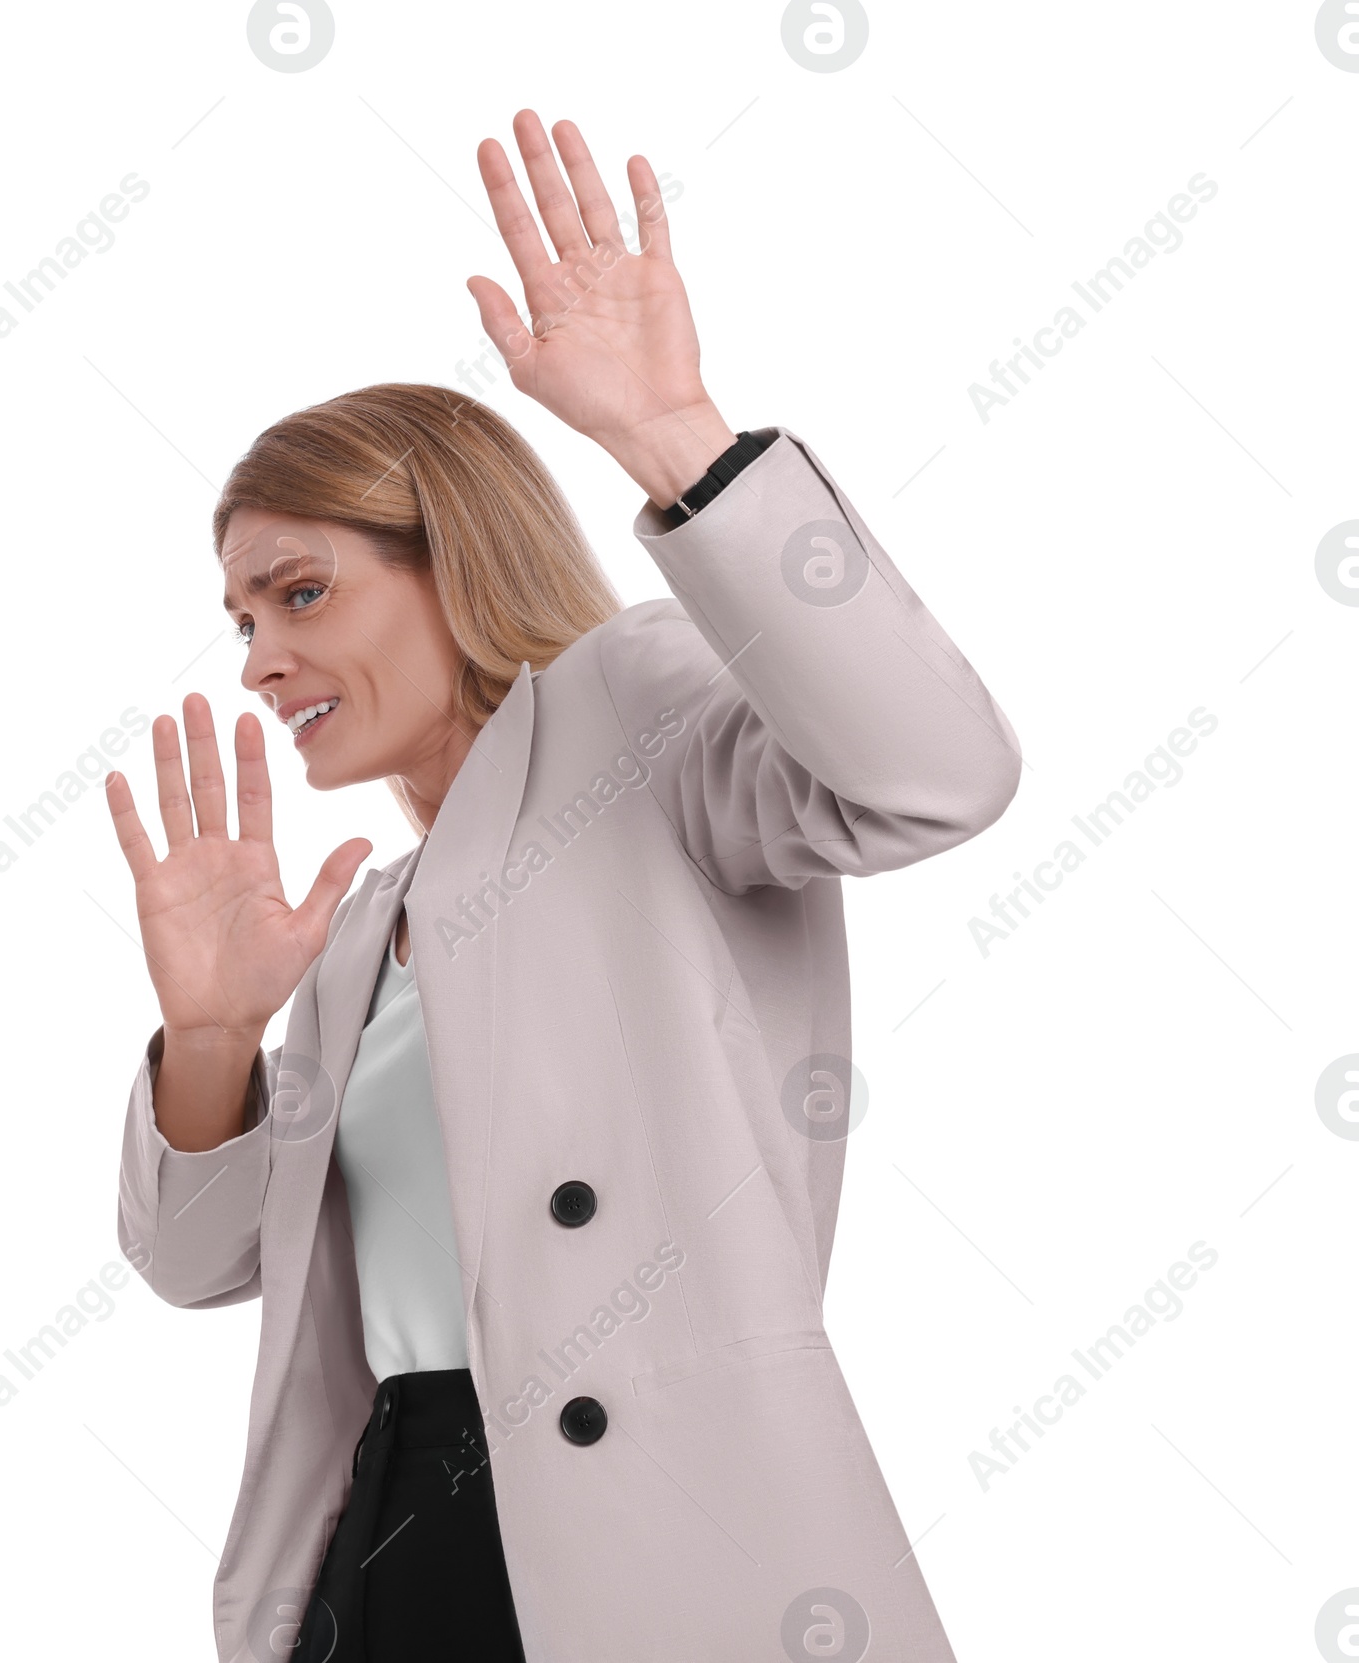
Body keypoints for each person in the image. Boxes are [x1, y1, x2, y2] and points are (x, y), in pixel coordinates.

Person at [108, 109, 1020, 1663]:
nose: (260, 661)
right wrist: (208, 1039)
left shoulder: (639, 714)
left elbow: (937, 775)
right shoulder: (354, 938)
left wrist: (681, 442)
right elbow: (200, 1267)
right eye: (241, 619)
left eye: (302, 592)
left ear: (450, 556)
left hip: (660, 1524)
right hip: (381, 1531)